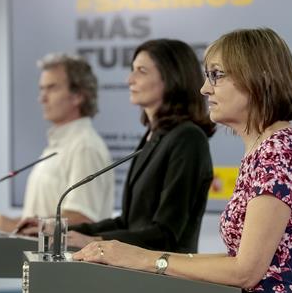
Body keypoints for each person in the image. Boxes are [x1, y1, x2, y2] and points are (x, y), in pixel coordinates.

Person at [73, 28, 292, 293]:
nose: (205, 89)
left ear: (259, 78)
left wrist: (147, 260)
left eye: (216, 75)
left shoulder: (279, 152)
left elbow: (246, 272)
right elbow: (238, 260)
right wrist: (141, 256)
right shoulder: (267, 149)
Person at [67, 39, 216, 253]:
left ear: (172, 77)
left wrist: (93, 241)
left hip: (168, 279)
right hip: (138, 273)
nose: (130, 79)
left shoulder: (188, 139)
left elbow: (165, 234)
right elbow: (127, 224)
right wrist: (64, 230)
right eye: (132, 70)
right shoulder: (154, 136)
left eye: (141, 71)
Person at [0, 53, 115, 232]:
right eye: (42, 89)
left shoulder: (84, 147)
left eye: (52, 88)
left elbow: (82, 218)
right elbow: (44, 214)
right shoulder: (60, 143)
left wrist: (12, 227)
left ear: (78, 96)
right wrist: (9, 223)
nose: (42, 98)